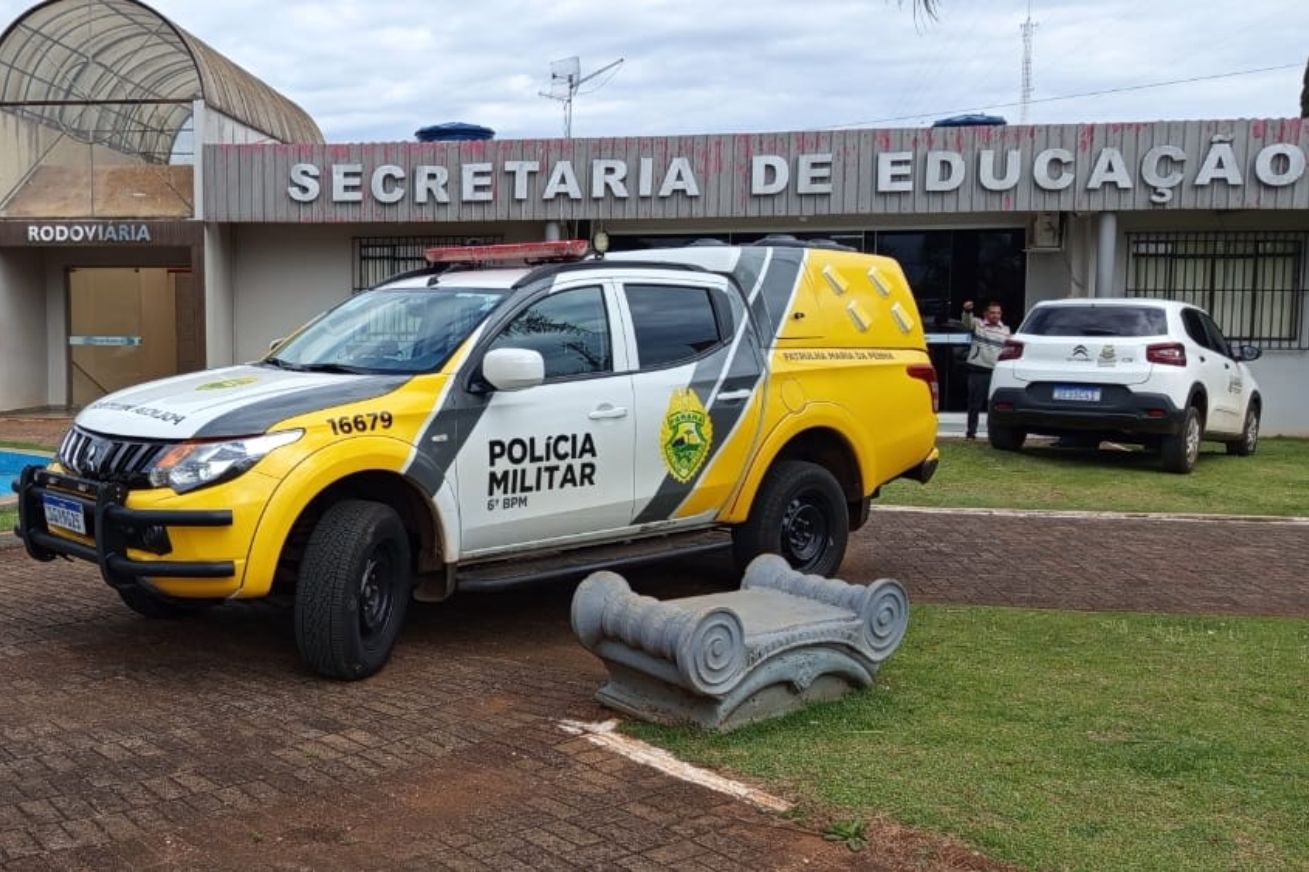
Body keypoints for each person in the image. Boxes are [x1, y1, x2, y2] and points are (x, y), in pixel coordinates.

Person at [961, 300, 1011, 440]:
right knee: (974, 405)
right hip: (978, 371)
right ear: (985, 314)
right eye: (992, 312)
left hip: (996, 373)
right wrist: (967, 311)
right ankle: (971, 434)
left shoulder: (1006, 330)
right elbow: (966, 322)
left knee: (993, 407)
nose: (996, 315)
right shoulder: (978, 324)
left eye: (998, 313)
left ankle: (992, 435)